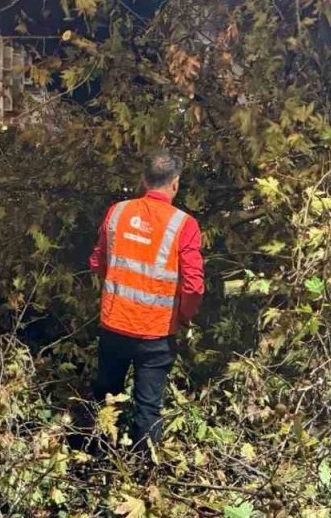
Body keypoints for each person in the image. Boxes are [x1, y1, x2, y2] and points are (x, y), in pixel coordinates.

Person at [88, 149, 205, 452]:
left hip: (114, 324)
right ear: (175, 183)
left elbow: (98, 261)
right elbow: (193, 286)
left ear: (143, 179)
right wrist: (184, 317)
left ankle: (97, 459)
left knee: (106, 398)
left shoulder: (117, 212)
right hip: (156, 333)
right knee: (148, 407)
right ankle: (144, 476)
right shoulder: (184, 224)